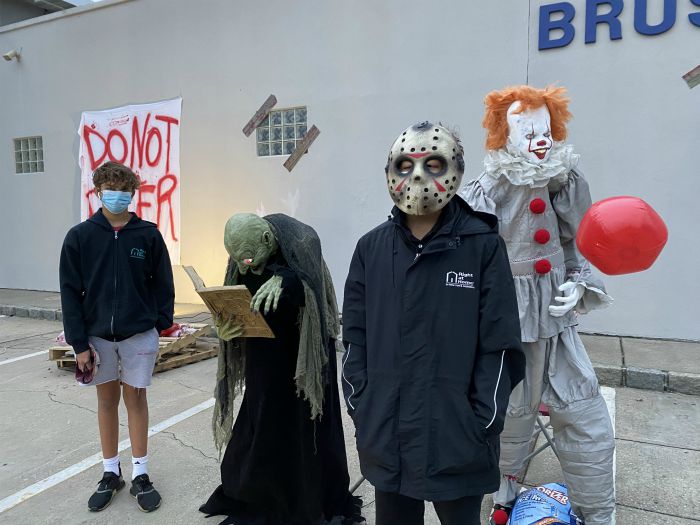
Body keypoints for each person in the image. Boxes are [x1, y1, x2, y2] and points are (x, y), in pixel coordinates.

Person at [342, 122, 525, 525]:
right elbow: (355, 336)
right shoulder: (371, 249)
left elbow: (500, 342)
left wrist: (482, 419)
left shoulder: (483, 246)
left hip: (457, 438)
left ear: (455, 169)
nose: (418, 177)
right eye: (405, 165)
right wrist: (362, 405)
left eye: (433, 164)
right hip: (387, 434)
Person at [461, 85, 615, 525]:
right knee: (512, 413)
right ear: (503, 134)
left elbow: (580, 241)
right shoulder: (489, 188)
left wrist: (580, 283)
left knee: (584, 412)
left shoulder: (564, 180)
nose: (538, 140)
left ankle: (597, 511)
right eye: (526, 130)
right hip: (511, 319)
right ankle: (503, 493)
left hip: (558, 317)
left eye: (544, 129)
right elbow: (469, 255)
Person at [199, 213, 364, 525]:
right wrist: (226, 326)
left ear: (267, 240)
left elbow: (314, 291)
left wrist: (287, 279)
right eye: (239, 261)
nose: (247, 266)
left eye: (251, 259)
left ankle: (307, 497)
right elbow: (238, 292)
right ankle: (258, 491)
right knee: (262, 418)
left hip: (305, 352)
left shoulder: (302, 239)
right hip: (264, 349)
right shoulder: (241, 251)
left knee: (305, 425)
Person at [59, 161, 174, 513]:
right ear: (97, 192)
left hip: (138, 335)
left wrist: (158, 323)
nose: (116, 195)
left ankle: (141, 473)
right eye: (109, 188)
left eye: (123, 190)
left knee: (136, 400)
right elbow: (69, 292)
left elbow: (163, 284)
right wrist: (80, 344)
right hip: (97, 338)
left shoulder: (148, 236)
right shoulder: (80, 237)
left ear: (132, 193)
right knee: (106, 402)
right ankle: (111, 472)